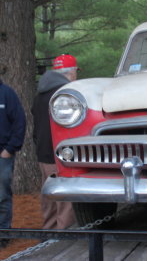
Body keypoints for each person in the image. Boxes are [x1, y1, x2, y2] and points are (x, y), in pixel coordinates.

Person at [31, 54, 78, 230]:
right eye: (75, 71)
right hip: (63, 154)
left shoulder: (40, 94)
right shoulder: (67, 94)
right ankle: (63, 240)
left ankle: (49, 233)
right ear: (71, 72)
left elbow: (36, 125)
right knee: (65, 200)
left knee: (48, 197)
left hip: (43, 153)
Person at [0, 79, 26, 248]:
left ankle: (3, 233)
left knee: (2, 195)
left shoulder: (7, 94)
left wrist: (9, 149)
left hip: (3, 154)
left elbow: (20, 122)